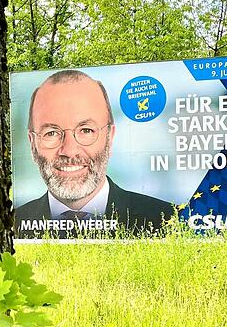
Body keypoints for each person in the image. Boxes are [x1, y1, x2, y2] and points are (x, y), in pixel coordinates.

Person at [15, 70, 173, 239]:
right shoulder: (11, 224)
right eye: (51, 133)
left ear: (109, 137)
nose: (69, 151)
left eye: (86, 130)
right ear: (33, 143)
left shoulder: (169, 220)